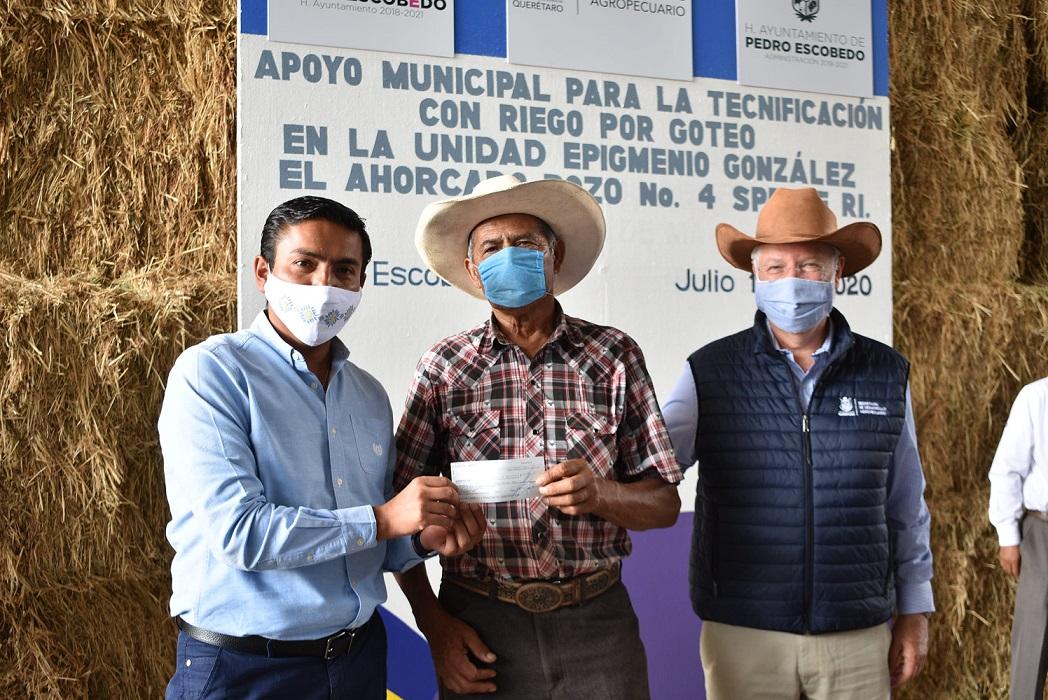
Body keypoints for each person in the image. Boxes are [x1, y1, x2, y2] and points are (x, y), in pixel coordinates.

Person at [158, 195, 484, 699]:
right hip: (245, 668)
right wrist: (385, 520)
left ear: (361, 285)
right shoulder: (213, 373)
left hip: (357, 661)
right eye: (304, 264)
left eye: (344, 270)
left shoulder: (368, 395)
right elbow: (240, 534)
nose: (323, 285)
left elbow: (373, 539)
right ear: (264, 272)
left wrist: (421, 539)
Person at [393, 175, 683, 698]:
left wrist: (602, 492)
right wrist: (435, 627)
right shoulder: (443, 368)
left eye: (526, 244)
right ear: (472, 270)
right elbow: (397, 513)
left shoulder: (614, 356)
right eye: (492, 247)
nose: (509, 256)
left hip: (596, 621)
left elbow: (663, 503)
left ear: (556, 255)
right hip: (477, 621)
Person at [661, 187, 934, 699]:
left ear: (839, 273)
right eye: (775, 268)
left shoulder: (886, 373)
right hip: (745, 632)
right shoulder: (709, 372)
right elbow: (652, 471)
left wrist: (914, 612)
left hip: (856, 633)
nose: (792, 281)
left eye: (809, 266)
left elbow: (906, 505)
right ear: (754, 278)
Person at [989, 378, 1048, 699]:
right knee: (1034, 636)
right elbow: (1007, 469)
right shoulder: (1037, 397)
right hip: (1043, 532)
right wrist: (1008, 536)